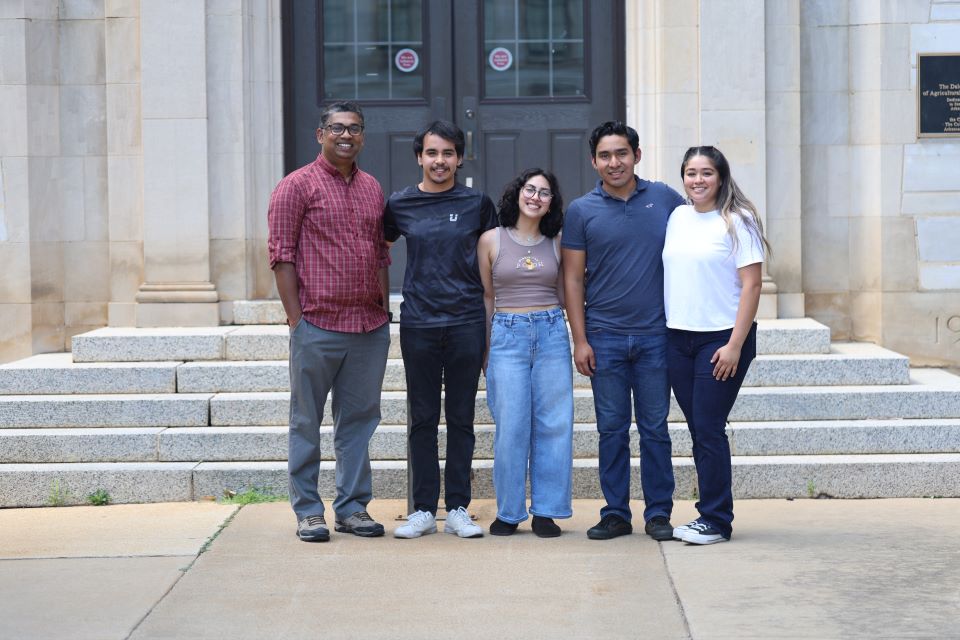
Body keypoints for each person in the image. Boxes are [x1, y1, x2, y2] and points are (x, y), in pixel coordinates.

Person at [267, 101, 391, 542]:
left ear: (362, 136)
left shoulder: (372, 188)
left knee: (359, 421)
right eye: (337, 128)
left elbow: (380, 254)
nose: (346, 135)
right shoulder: (295, 187)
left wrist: (383, 308)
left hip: (368, 326)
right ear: (320, 134)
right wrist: (296, 319)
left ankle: (353, 508)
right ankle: (308, 510)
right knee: (306, 420)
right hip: (317, 324)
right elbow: (281, 256)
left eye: (355, 128)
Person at [562, 121, 685, 541]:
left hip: (656, 337)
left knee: (655, 429)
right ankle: (615, 512)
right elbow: (573, 280)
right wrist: (580, 339)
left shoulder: (667, 199)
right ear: (594, 160)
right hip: (605, 337)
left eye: (621, 153)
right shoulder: (581, 210)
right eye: (605, 155)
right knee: (611, 430)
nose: (614, 162)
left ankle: (658, 513)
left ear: (637, 154)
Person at [384, 120, 498, 539]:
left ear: (460, 158)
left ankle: (458, 507)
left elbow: (493, 261)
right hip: (419, 323)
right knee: (423, 418)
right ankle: (422, 509)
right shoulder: (400, 204)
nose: (440, 161)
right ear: (419, 157)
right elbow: (379, 249)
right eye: (432, 153)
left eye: (448, 153)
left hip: (467, 321)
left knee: (462, 417)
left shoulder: (477, 203)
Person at [663, 146, 768, 545]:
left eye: (706, 173)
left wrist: (735, 345)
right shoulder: (677, 217)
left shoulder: (738, 221)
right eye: (691, 173)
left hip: (721, 340)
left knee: (708, 428)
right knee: (699, 428)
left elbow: (752, 284)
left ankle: (716, 520)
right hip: (678, 338)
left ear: (721, 177)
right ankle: (710, 514)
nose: (698, 180)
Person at [478, 168, 574, 538]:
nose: (536, 197)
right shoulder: (491, 240)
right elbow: (487, 297)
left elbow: (567, 295)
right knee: (511, 426)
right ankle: (509, 511)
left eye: (544, 193)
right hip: (507, 334)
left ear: (552, 203)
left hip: (551, 333)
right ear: (517, 194)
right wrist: (486, 348)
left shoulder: (558, 242)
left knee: (554, 423)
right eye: (530, 190)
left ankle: (547, 511)